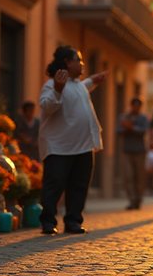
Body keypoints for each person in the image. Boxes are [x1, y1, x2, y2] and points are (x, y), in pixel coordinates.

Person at [38, 46, 106, 235]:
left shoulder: (78, 85)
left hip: (83, 146)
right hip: (60, 146)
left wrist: (94, 80)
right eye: (79, 60)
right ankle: (48, 221)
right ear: (68, 62)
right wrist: (58, 90)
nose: (82, 64)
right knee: (55, 185)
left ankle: (73, 221)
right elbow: (47, 106)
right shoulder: (51, 84)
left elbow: (82, 88)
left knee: (79, 185)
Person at [117, 98, 150, 210]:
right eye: (134, 105)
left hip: (140, 151)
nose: (136, 107)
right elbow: (118, 131)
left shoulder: (144, 118)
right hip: (127, 151)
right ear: (131, 105)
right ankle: (131, 200)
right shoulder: (123, 117)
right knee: (128, 176)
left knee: (139, 177)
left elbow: (144, 130)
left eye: (138, 106)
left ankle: (138, 199)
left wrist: (131, 127)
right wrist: (125, 128)